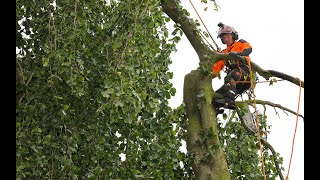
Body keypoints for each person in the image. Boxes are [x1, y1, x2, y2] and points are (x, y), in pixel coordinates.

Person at [212, 22, 253, 110]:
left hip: (244, 74)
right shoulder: (223, 53)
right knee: (217, 94)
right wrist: (209, 74)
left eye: (228, 37)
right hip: (233, 84)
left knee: (231, 76)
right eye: (224, 38)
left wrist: (238, 54)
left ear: (233, 36)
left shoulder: (240, 43)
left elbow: (248, 49)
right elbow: (216, 69)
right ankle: (219, 105)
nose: (226, 39)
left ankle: (229, 100)